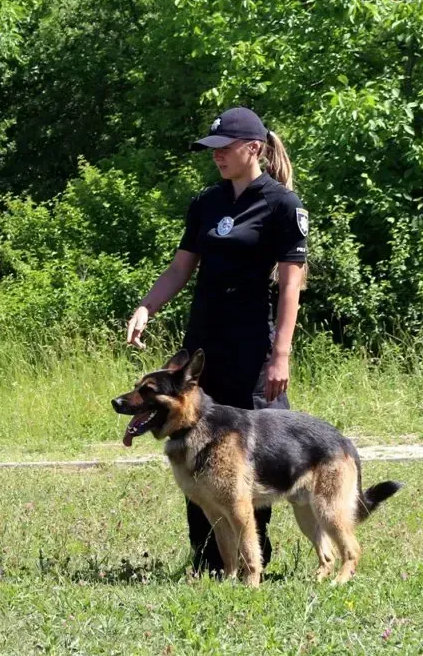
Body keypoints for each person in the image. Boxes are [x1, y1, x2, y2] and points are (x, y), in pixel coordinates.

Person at [126, 106, 308, 576]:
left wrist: (280, 354)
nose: (217, 157)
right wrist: (147, 306)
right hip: (202, 349)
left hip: (252, 348)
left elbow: (292, 284)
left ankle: (254, 559)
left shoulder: (282, 205)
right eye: (213, 150)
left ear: (253, 148)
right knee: (194, 446)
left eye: (224, 148)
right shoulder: (206, 202)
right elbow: (180, 268)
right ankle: (208, 559)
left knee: (257, 451)